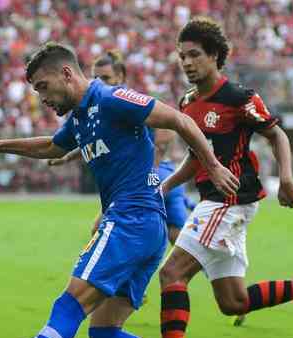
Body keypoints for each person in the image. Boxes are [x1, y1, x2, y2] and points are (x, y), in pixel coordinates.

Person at [0, 41, 240, 338]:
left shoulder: (114, 98)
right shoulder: (81, 115)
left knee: (69, 306)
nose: (42, 97)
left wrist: (213, 166)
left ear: (66, 73)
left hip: (131, 220)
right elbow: (53, 146)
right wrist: (0, 145)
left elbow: (180, 121)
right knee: (103, 333)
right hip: (142, 227)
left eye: (43, 86)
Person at [123, 18, 293, 338]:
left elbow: (278, 136)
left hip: (229, 200)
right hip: (218, 202)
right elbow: (198, 157)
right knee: (234, 302)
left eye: (195, 55)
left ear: (214, 56)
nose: (187, 63)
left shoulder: (239, 98)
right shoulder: (187, 102)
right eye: (182, 56)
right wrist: (164, 187)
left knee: (171, 273)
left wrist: (287, 177)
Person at [48, 50, 194, 243]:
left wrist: (151, 169)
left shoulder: (126, 100)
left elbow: (166, 133)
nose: (101, 81)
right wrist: (68, 156)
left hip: (152, 175)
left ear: (120, 76)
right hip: (140, 179)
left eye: (106, 77)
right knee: (171, 238)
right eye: (97, 77)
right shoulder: (101, 104)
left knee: (176, 239)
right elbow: (96, 142)